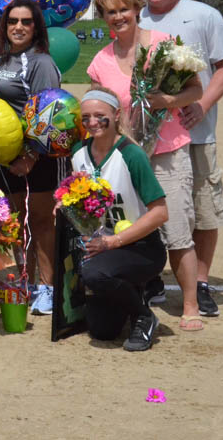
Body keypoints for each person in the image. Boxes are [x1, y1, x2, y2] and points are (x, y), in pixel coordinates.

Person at [87, 0, 204, 331]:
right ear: (104, 18)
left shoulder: (166, 47)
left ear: (137, 8)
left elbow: (195, 90)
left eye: (124, 9)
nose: (118, 17)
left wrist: (166, 101)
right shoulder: (100, 61)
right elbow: (100, 110)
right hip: (127, 158)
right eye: (111, 12)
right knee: (127, 223)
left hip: (168, 150)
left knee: (177, 230)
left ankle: (190, 305)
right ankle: (135, 291)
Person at [138, 0, 223, 317]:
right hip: (149, 137)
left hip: (195, 133)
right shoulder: (137, 16)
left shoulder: (204, 15)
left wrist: (204, 104)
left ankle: (202, 282)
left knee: (202, 210)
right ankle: (149, 276)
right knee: (148, 207)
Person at [73, 88, 168, 352]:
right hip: (103, 249)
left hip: (141, 248)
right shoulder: (78, 153)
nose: (92, 123)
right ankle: (130, 291)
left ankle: (143, 316)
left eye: (100, 116)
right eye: (86, 118)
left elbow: (160, 212)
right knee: (102, 331)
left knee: (94, 273)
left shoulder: (131, 155)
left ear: (116, 115)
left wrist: (113, 242)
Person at [0, 0, 61, 315]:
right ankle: (26, 281)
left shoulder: (40, 62)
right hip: (5, 157)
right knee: (16, 223)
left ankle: (48, 287)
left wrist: (30, 156)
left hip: (36, 157)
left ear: (36, 27)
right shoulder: (1, 59)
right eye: (12, 21)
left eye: (26, 22)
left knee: (41, 222)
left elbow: (50, 115)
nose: (18, 27)